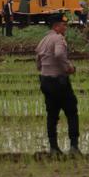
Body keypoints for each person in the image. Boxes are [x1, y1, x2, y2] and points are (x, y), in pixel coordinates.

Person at [36, 15, 80, 155]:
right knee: (71, 112)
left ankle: (53, 147)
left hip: (45, 80)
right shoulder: (58, 38)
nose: (65, 28)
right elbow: (60, 54)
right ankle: (73, 146)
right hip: (59, 81)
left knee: (52, 114)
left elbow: (38, 60)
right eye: (63, 25)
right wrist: (68, 67)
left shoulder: (43, 40)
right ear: (56, 26)